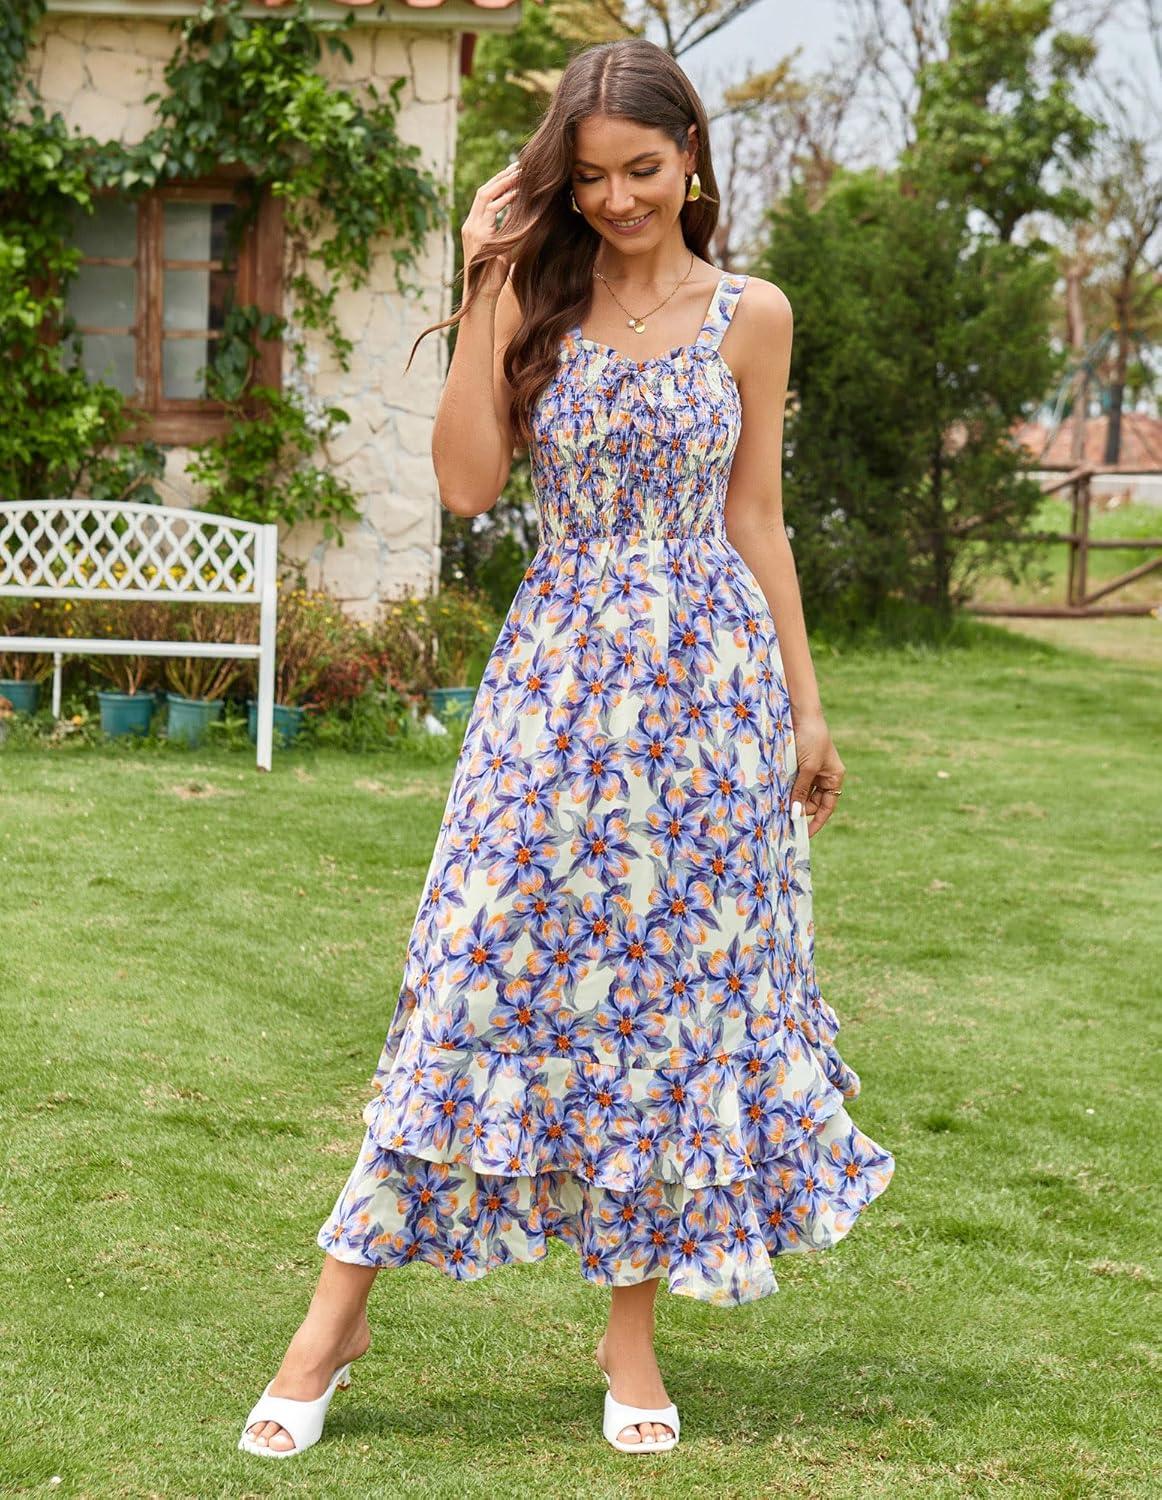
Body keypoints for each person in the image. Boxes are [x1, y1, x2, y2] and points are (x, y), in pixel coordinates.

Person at [239, 35, 896, 1461]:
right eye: (589, 177)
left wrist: (806, 705)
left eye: (642, 170)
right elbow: (468, 486)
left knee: (666, 1005)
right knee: (469, 976)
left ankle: (630, 1340)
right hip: (556, 687)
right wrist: (485, 275)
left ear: (691, 157)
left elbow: (757, 517)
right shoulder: (534, 297)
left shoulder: (753, 314)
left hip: (711, 698)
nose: (617, 200)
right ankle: (333, 1318)